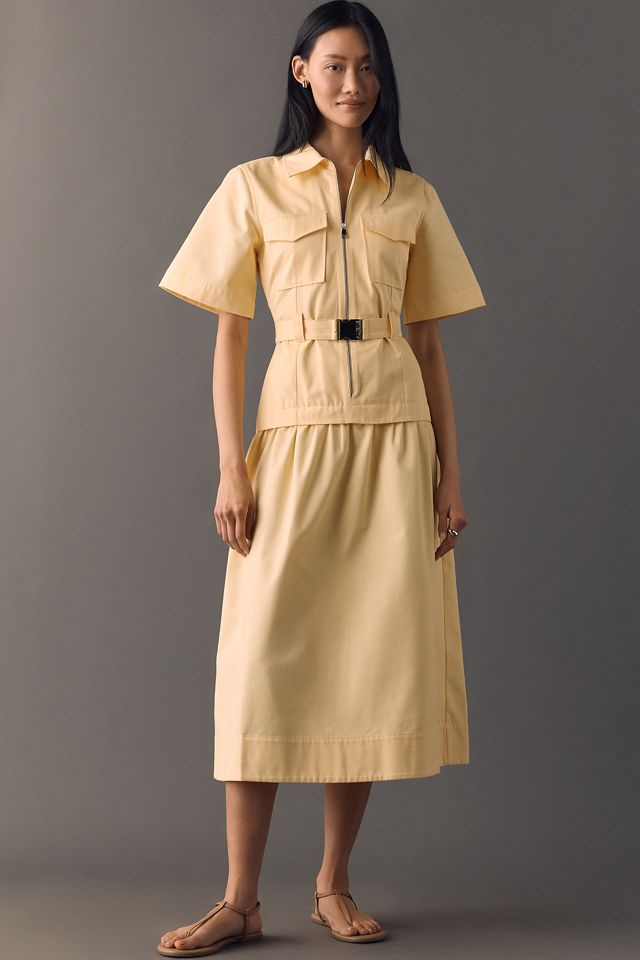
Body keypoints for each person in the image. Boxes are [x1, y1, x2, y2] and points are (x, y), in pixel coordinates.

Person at [156, 1, 486, 954]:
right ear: (301, 71)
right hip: (294, 441)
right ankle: (239, 900)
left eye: (366, 67)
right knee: (257, 663)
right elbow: (229, 339)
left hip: (394, 443)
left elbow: (431, 348)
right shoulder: (253, 187)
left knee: (367, 663)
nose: (354, 83)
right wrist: (232, 466)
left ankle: (332, 885)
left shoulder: (411, 198)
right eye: (335, 65)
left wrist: (450, 476)